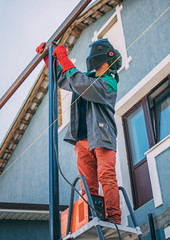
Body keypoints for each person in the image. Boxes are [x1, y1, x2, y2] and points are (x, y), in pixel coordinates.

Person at [36, 39, 122, 224]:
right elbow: (64, 78)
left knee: (106, 177)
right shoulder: (86, 78)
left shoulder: (109, 83)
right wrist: (49, 58)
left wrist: (63, 57)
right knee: (87, 186)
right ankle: (91, 219)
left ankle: (114, 218)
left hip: (102, 137)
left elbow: (80, 83)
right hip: (82, 141)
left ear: (108, 60)